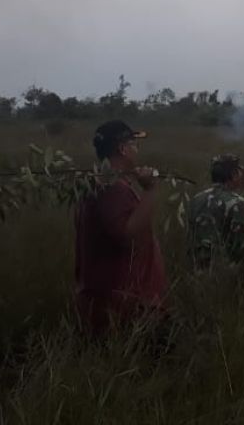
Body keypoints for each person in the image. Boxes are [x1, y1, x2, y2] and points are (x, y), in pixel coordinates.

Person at [73, 120, 169, 336]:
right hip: (123, 309)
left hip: (112, 304)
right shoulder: (112, 189)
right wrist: (151, 191)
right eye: (134, 144)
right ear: (123, 149)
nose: (137, 150)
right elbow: (126, 235)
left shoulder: (97, 185)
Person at [187, 154, 244, 271]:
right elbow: (241, 247)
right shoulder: (237, 202)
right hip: (224, 271)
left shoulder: (196, 199)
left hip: (196, 268)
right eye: (239, 172)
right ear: (233, 175)